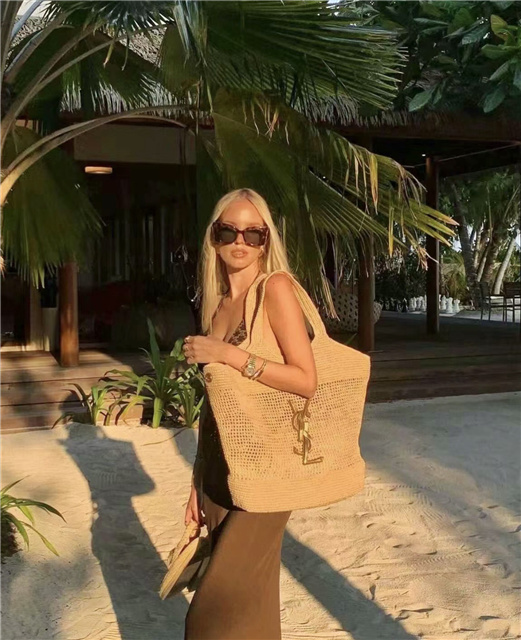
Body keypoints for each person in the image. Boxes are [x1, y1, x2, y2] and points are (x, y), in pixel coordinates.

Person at [182, 188, 317, 640]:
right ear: (214, 238)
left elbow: (305, 379)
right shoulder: (217, 306)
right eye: (229, 231)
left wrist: (227, 354)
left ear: (265, 241)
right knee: (251, 612)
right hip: (220, 472)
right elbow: (214, 408)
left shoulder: (274, 290)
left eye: (253, 233)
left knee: (208, 618)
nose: (240, 241)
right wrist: (197, 481)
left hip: (267, 474)